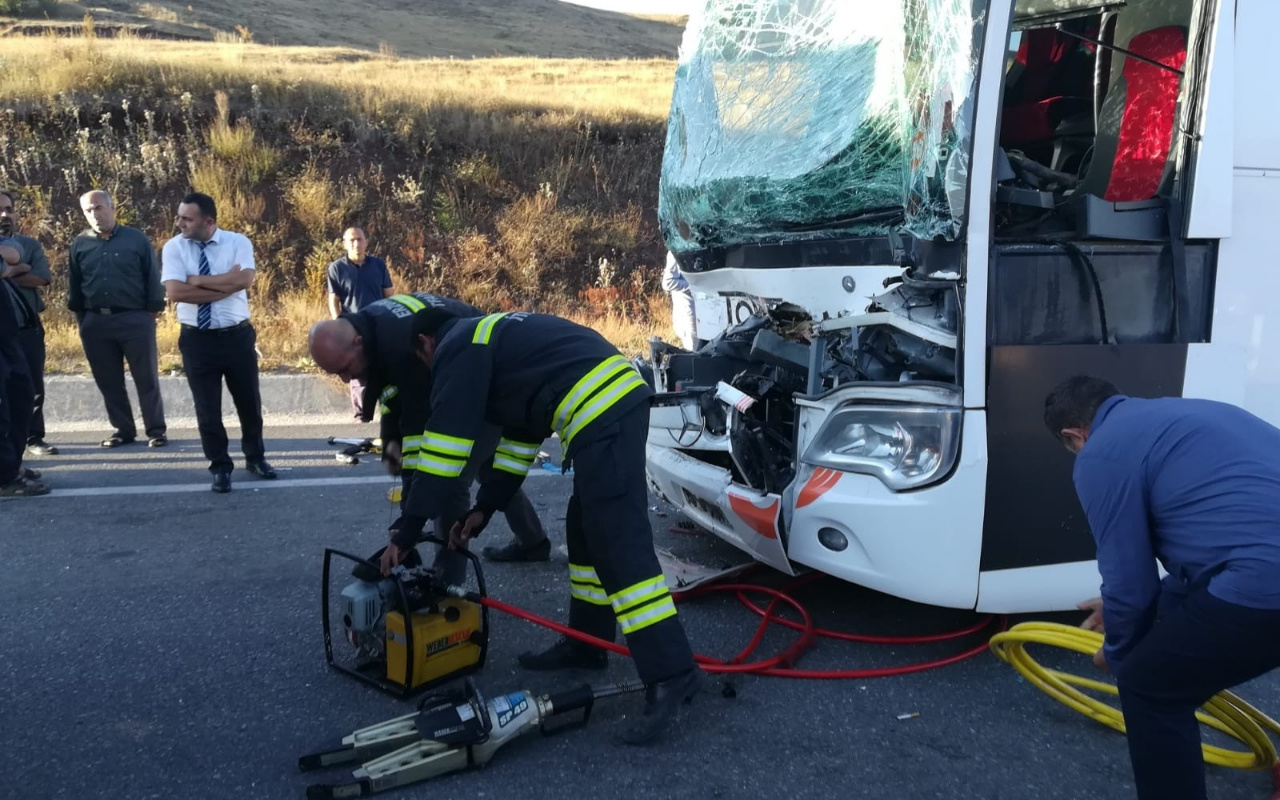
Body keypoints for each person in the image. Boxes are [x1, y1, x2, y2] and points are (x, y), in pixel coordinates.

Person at [381, 309, 702, 745]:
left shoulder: (459, 344)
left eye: (422, 362)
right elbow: (521, 438)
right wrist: (485, 509)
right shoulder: (501, 349)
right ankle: (588, 644)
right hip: (608, 405)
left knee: (616, 541)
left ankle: (672, 671)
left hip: (603, 409)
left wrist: (406, 532)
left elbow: (444, 451)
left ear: (425, 342)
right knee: (584, 527)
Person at [1043, 375, 1280, 800]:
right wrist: (1123, 609)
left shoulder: (1099, 453)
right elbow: (1209, 552)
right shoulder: (1187, 414)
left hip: (1265, 578)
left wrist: (1117, 651)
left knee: (1149, 685)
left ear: (1073, 435)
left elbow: (1129, 581)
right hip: (1260, 563)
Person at [307, 293, 550, 571]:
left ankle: (446, 583)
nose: (346, 379)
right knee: (487, 465)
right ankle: (534, 543)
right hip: (462, 362)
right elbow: (393, 400)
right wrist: (390, 447)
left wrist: (410, 520)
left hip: (482, 375)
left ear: (358, 343)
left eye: (345, 369)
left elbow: (422, 433)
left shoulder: (402, 347)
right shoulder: (367, 326)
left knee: (452, 478)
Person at [161, 192, 275, 493]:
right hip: (197, 339)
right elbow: (176, 292)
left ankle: (255, 457)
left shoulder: (238, 242)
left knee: (249, 402)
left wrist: (197, 280)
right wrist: (223, 284)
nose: (180, 223)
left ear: (208, 221)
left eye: (187, 218)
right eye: (179, 216)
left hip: (236, 336)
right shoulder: (174, 247)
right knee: (207, 408)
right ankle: (220, 466)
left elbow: (244, 281)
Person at [68, 190, 168, 449]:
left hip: (134, 318)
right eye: (89, 211)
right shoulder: (80, 243)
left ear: (112, 208)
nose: (95, 214)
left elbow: (152, 277)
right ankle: (123, 429)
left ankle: (156, 429)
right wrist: (84, 321)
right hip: (96, 322)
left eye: (99, 208)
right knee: (108, 380)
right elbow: (76, 285)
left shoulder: (136, 239)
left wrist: (150, 313)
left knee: (145, 377)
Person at [0, 189, 56, 456]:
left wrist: (6, 274)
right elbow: (22, 271)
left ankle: (34, 438)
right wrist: (18, 270)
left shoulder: (29, 245)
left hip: (27, 327)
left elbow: (42, 278)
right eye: (0, 210)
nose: (4, 215)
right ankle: (10, 453)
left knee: (32, 386)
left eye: (9, 209)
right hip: (3, 333)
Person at [326, 226, 394, 420]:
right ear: (345, 244)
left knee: (383, 366)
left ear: (366, 241)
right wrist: (338, 324)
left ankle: (388, 410)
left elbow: (389, 295)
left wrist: (391, 319)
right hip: (353, 327)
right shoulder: (336, 268)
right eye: (352, 240)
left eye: (360, 239)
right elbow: (334, 300)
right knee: (358, 370)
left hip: (379, 323)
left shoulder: (378, 265)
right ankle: (362, 415)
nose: (356, 243)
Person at [0, 241, 48, 496]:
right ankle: (5, 479)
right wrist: (15, 267)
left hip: (8, 337)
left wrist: (12, 265)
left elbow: (12, 254)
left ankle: (12, 465)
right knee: (2, 409)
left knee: (21, 397)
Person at [660, 251, 704, 352]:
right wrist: (693, 286)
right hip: (688, 315)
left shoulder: (699, 246)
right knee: (692, 357)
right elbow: (668, 282)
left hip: (704, 314)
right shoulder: (676, 251)